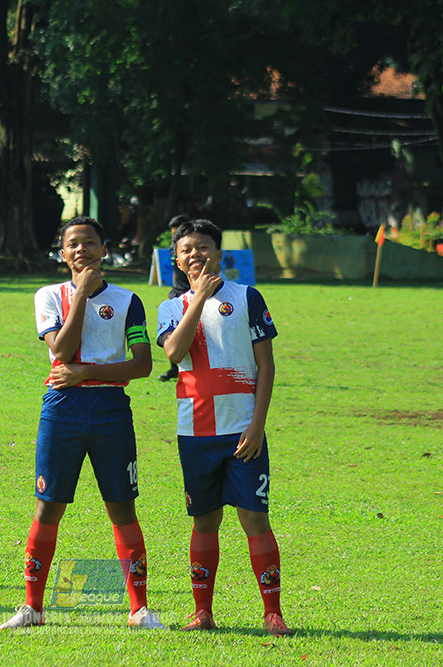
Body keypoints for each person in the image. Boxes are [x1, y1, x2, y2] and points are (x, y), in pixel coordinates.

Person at [0, 217, 165, 630]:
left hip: (111, 411)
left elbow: (143, 364)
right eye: (73, 244)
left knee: (122, 508)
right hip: (62, 409)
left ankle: (139, 610)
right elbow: (62, 351)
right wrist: (82, 297)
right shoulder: (48, 296)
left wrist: (86, 372)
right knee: (48, 505)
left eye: (90, 242)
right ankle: (33, 608)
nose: (81, 250)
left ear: (104, 249)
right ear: (62, 253)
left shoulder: (129, 301)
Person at [156, 219, 294, 636]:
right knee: (204, 521)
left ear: (219, 253)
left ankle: (273, 613)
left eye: (203, 247)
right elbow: (174, 353)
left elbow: (266, 365)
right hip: (195, 432)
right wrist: (196, 299)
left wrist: (257, 425)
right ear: (176, 261)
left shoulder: (247, 297)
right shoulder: (170, 307)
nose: (195, 254)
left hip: (243, 432)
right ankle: (203, 612)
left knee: (255, 519)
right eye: (186, 250)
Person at [158, 214, 192, 381]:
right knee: (172, 331)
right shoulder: (174, 246)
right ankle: (174, 369)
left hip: (190, 294)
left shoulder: (193, 248)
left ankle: (187, 367)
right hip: (176, 293)